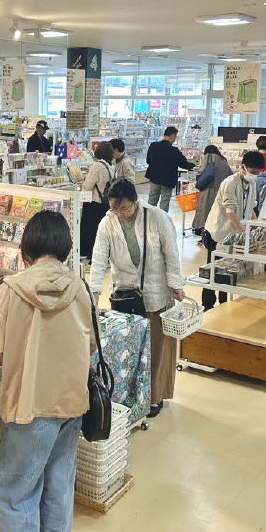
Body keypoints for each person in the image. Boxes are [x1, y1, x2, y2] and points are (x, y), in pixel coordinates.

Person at [0, 211, 95, 532]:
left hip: (28, 404)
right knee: (58, 489)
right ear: (65, 247)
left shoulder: (12, 289)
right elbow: (89, 344)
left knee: (15, 496)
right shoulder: (80, 288)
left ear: (26, 248)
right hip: (71, 402)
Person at [90, 178, 184, 418]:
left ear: (135, 201)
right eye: (114, 208)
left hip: (155, 292)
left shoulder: (156, 217)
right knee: (128, 349)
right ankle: (128, 397)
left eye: (124, 208)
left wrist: (176, 284)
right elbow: (99, 258)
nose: (119, 213)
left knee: (156, 348)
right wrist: (94, 292)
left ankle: (154, 397)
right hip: (125, 294)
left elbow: (171, 253)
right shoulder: (107, 222)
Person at [202, 151, 264, 311]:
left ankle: (224, 304)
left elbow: (251, 207)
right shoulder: (230, 183)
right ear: (243, 167)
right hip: (218, 232)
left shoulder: (252, 183)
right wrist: (243, 233)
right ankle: (207, 305)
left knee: (228, 270)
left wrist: (257, 225)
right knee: (213, 270)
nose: (255, 175)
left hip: (234, 232)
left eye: (258, 172)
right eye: (252, 171)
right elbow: (230, 212)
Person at [145, 126, 194, 212]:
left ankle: (148, 218)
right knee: (164, 202)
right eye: (175, 137)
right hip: (167, 180)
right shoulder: (174, 150)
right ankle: (163, 219)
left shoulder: (153, 146)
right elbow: (183, 164)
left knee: (152, 201)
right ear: (172, 136)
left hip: (154, 177)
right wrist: (192, 165)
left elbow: (148, 161)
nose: (175, 140)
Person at [80, 141, 115, 261]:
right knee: (101, 231)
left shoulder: (97, 166)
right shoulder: (111, 167)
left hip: (94, 202)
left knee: (91, 231)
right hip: (105, 203)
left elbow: (87, 186)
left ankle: (90, 256)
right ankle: (101, 257)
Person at [192, 145, 233, 237]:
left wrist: (198, 179)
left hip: (208, 189)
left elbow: (202, 171)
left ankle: (202, 231)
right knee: (215, 212)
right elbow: (230, 174)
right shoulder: (223, 160)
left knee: (204, 210)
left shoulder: (208, 157)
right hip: (220, 191)